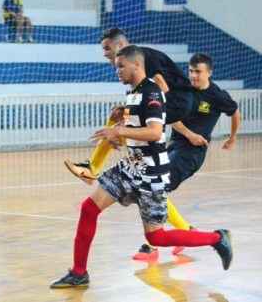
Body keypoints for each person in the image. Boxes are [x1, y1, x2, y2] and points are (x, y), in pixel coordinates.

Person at [49, 46, 232, 289]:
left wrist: (119, 130)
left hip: (151, 172)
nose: (117, 71)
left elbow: (155, 132)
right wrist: (120, 126)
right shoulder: (133, 93)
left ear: (137, 65)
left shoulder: (152, 92)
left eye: (121, 66)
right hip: (132, 166)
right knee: (88, 209)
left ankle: (217, 238)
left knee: (156, 236)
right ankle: (79, 272)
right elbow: (136, 131)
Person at [65, 27, 197, 257]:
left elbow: (160, 89)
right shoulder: (132, 67)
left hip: (179, 100)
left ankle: (92, 167)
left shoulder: (142, 59)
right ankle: (184, 230)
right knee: (121, 124)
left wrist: (126, 124)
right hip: (171, 104)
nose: (105, 54)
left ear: (120, 45)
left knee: (123, 130)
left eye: (107, 48)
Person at [166, 53, 241, 194]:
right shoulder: (182, 88)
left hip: (192, 152)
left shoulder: (217, 95)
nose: (193, 75)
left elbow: (235, 112)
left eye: (198, 72)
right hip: (174, 145)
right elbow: (171, 117)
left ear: (209, 73)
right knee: (150, 181)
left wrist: (232, 137)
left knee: (158, 185)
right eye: (191, 71)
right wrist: (189, 134)